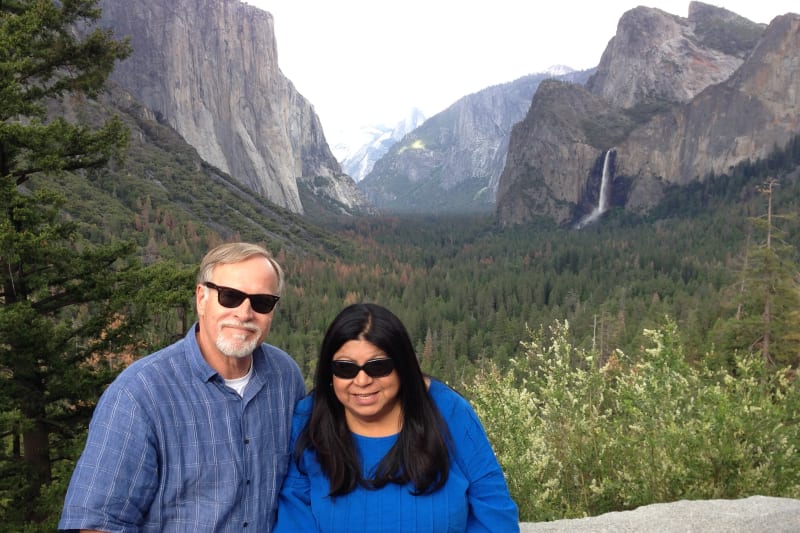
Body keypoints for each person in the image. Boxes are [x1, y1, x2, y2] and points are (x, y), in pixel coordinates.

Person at [59, 242, 305, 532]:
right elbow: (99, 523)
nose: (245, 313)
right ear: (201, 297)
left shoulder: (285, 377)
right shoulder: (140, 393)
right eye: (230, 297)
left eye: (262, 302)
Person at [274, 303, 519, 532]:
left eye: (378, 367)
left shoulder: (449, 412)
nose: (362, 381)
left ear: (403, 367)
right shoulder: (310, 419)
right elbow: (294, 518)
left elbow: (494, 510)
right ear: (330, 372)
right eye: (345, 368)